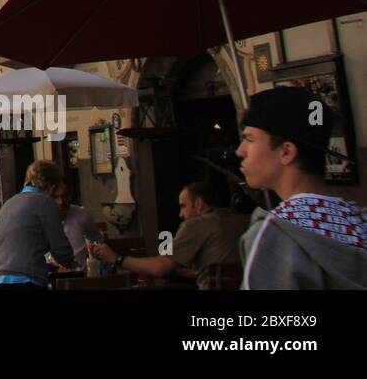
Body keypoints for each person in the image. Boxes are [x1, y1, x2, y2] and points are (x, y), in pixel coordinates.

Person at [233, 86, 367, 289]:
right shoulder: (359, 222)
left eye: (249, 139)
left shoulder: (275, 236)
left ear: (286, 152)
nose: (239, 151)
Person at [89, 182, 249, 288]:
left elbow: (160, 268)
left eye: (183, 206)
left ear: (199, 204)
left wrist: (116, 258)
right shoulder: (241, 220)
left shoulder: (196, 224)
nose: (181, 214)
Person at [0, 160, 74, 289]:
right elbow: (60, 248)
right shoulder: (45, 202)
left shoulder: (9, 204)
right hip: (25, 279)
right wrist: (69, 261)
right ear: (53, 187)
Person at [49, 181, 102, 268]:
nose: (61, 202)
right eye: (55, 197)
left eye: (64, 196)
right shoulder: (39, 218)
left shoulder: (82, 214)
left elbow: (96, 239)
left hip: (79, 273)